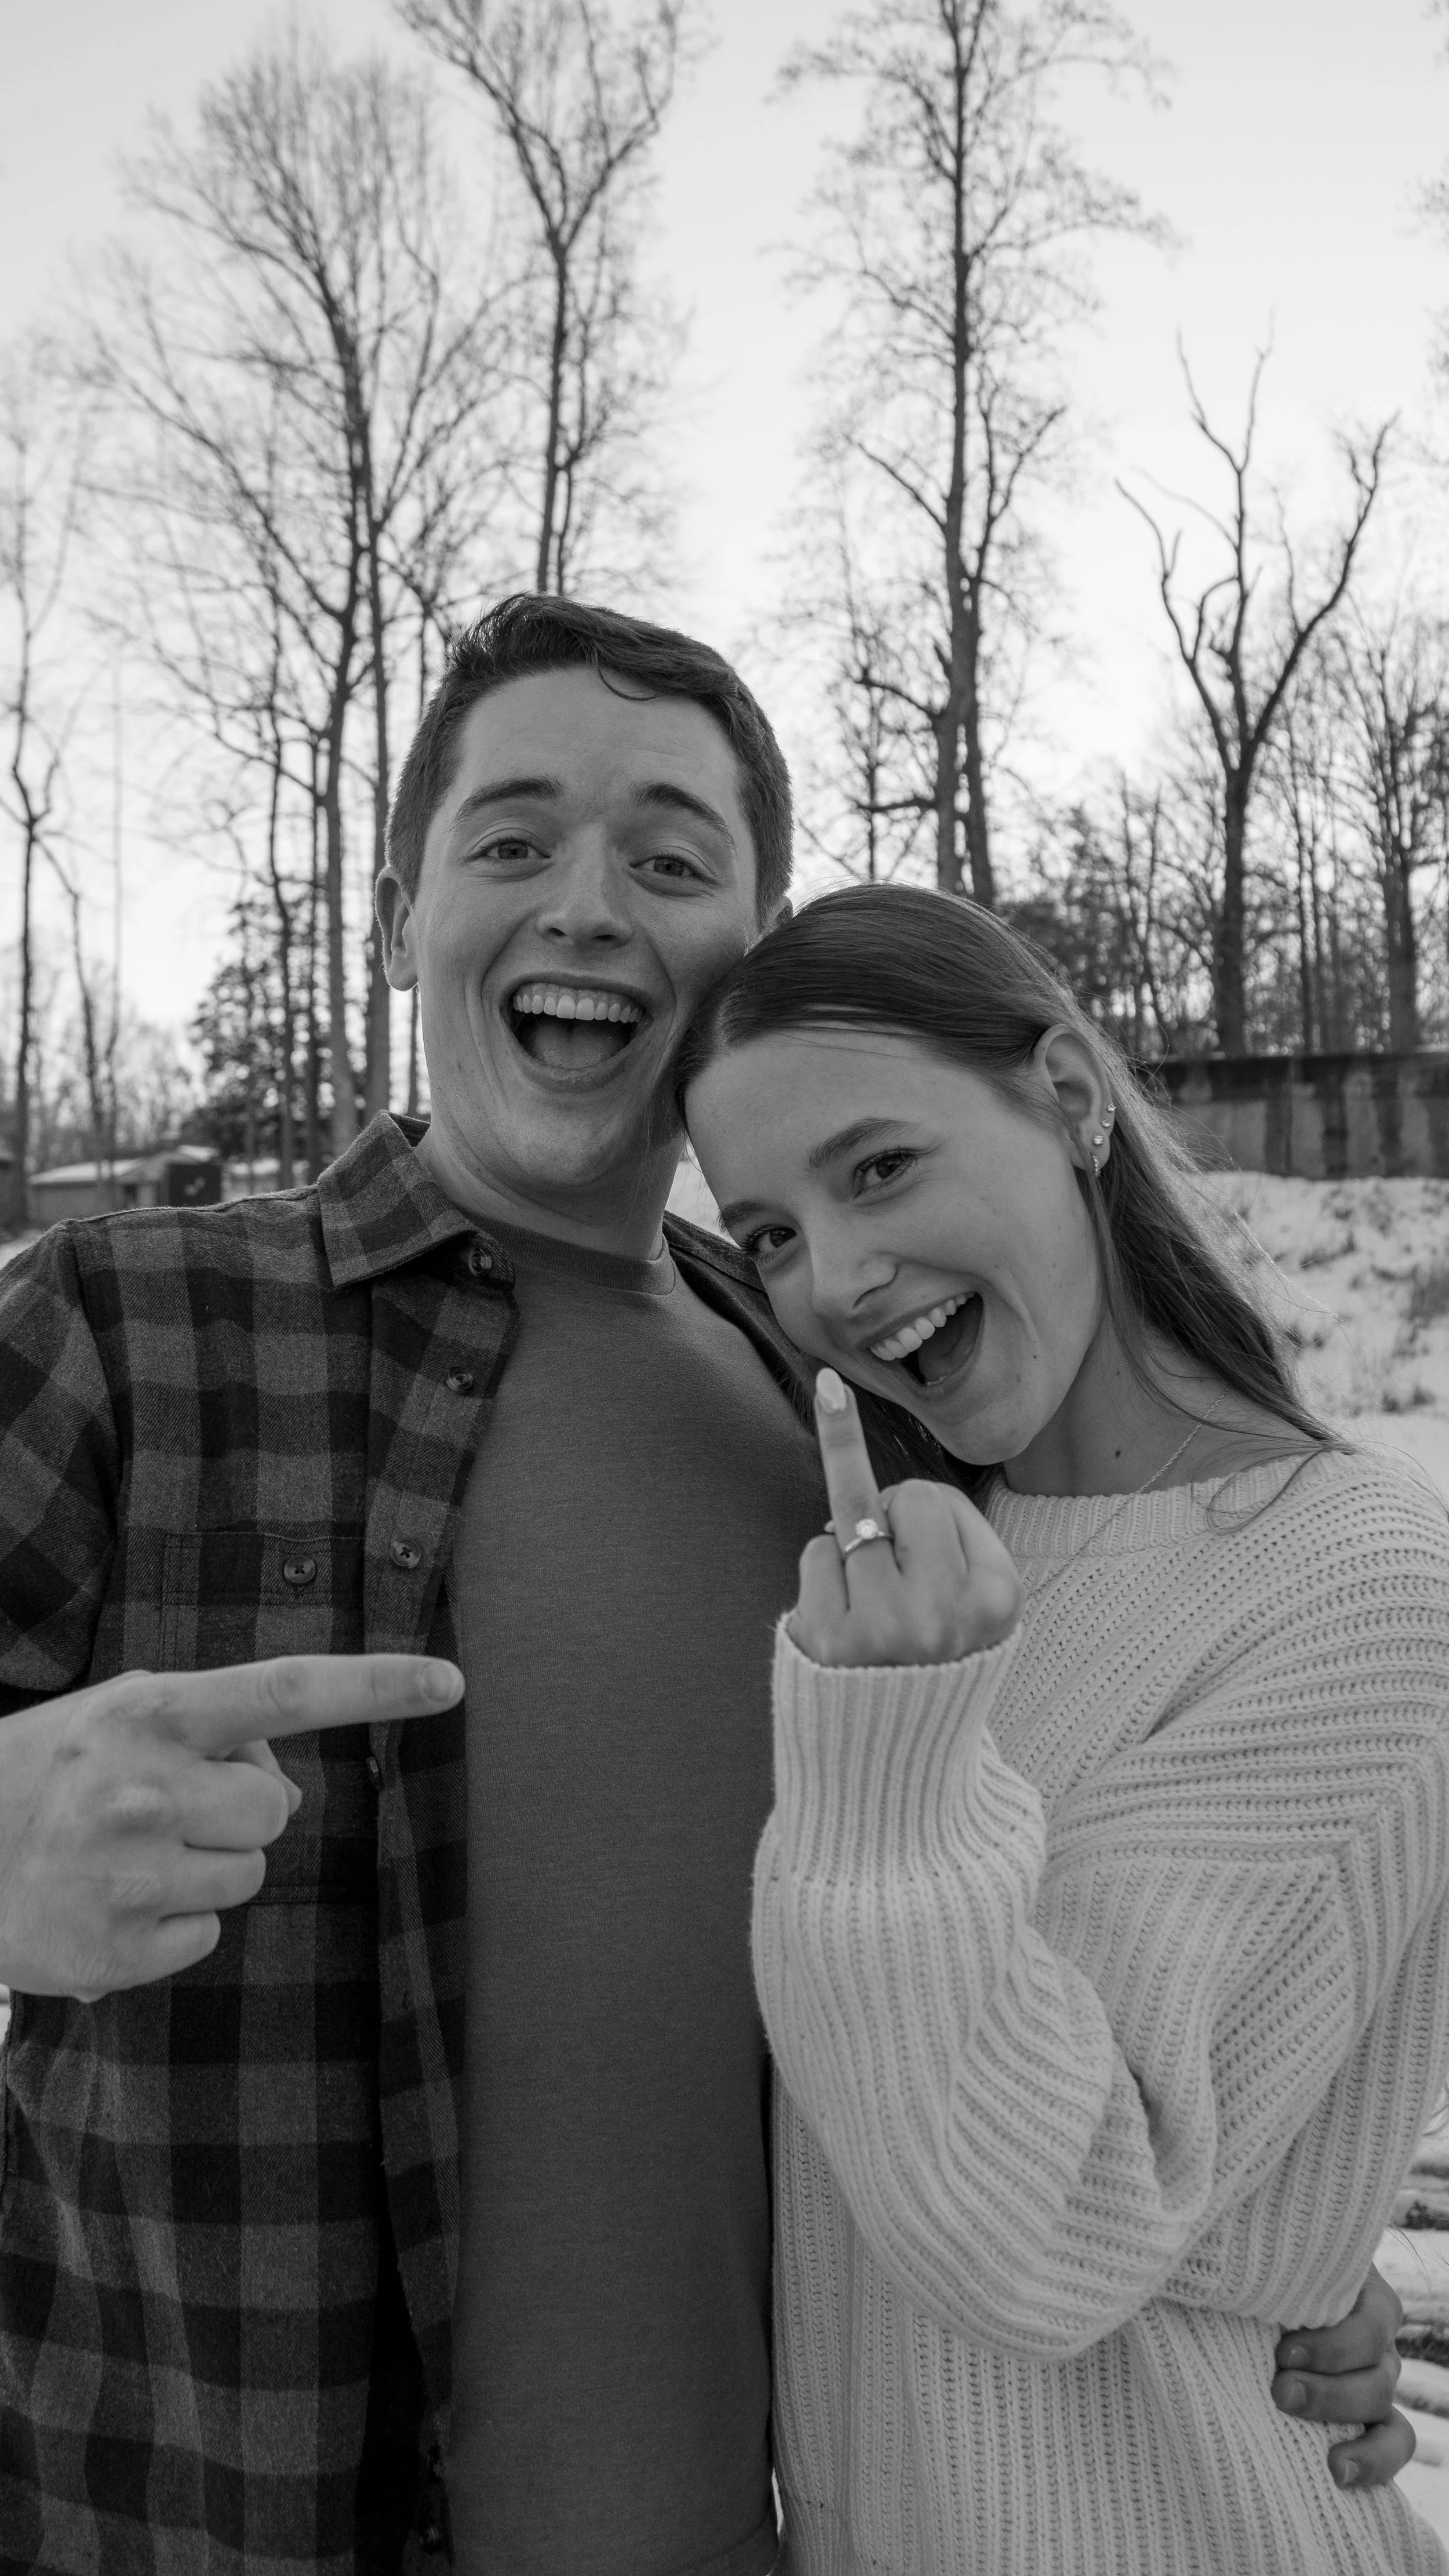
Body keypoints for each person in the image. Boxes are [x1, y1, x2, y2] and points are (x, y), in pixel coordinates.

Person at [0, 604, 1412, 2575]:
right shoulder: (127, 1329)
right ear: (403, 900)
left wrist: (1260, 2269)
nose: (585, 905)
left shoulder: (870, 1426)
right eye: (511, 843)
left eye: (667, 861)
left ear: (737, 951)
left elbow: (1017, 1987)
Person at [678, 881, 1449, 2575]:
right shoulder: (926, 1570)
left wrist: (887, 1762)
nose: (837, 1278)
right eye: (772, 1234)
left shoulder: (1358, 1587)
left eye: (878, 1168)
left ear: (1071, 1099)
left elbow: (1034, 2226)